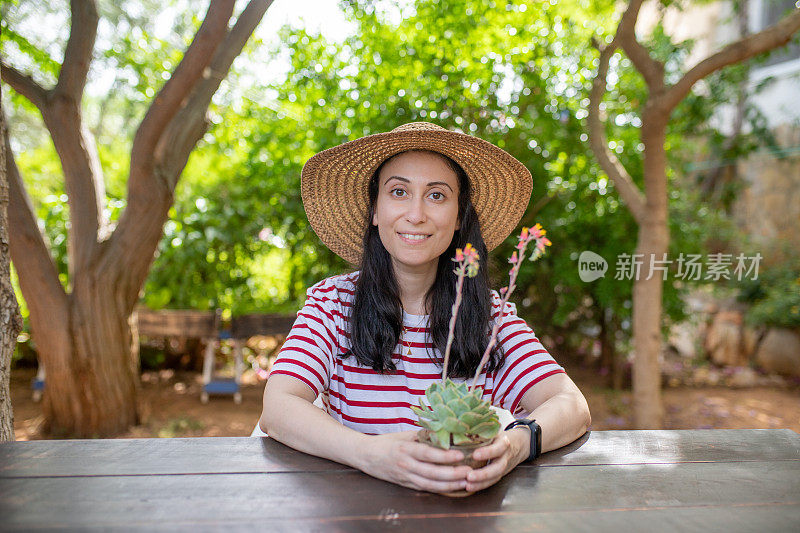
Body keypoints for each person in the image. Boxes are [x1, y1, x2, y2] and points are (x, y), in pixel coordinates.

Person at [257, 121, 591, 495]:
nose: (415, 214)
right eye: (399, 192)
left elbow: (571, 404)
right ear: (375, 211)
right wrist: (368, 453)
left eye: (436, 196)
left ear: (459, 216)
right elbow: (278, 405)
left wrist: (515, 446)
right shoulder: (334, 304)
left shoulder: (489, 318)